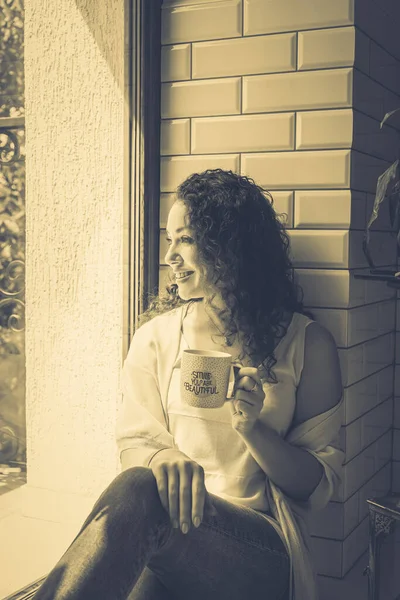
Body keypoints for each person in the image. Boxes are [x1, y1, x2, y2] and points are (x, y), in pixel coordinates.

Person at [33, 169, 343, 600]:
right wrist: (161, 454)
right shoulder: (156, 338)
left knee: (142, 493)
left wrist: (253, 430)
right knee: (142, 491)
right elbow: (133, 443)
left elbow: (318, 486)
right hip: (172, 536)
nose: (170, 256)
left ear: (230, 246)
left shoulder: (307, 344)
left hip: (259, 547)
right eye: (167, 240)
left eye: (185, 239)